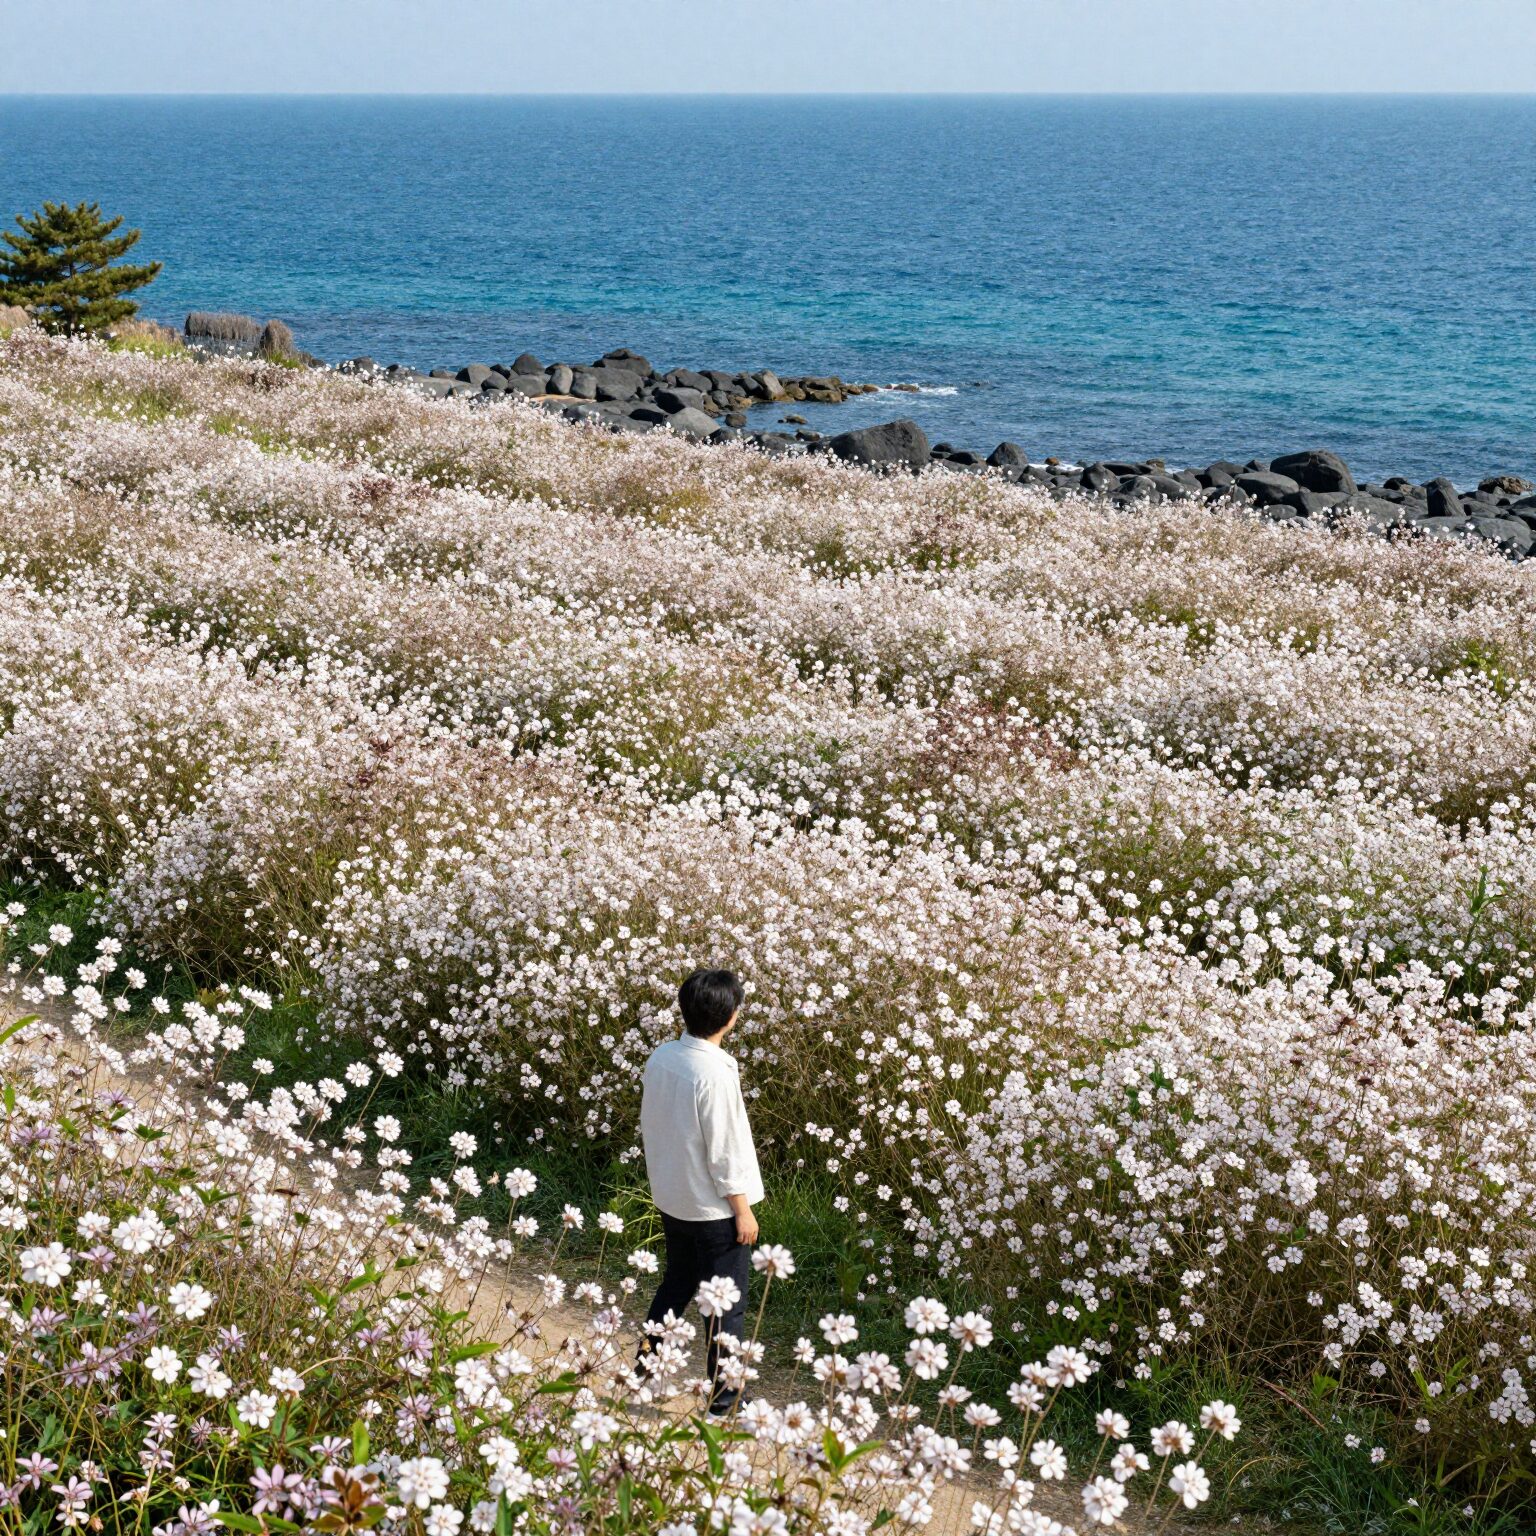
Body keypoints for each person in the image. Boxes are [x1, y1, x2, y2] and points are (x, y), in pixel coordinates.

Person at [638, 967, 764, 1415]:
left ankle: (646, 1373)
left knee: (677, 1284)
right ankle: (725, 1400)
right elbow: (725, 1151)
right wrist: (742, 1211)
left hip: (674, 1197)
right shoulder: (714, 1073)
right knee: (725, 1305)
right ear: (730, 1016)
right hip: (713, 1210)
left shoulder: (663, 1057)